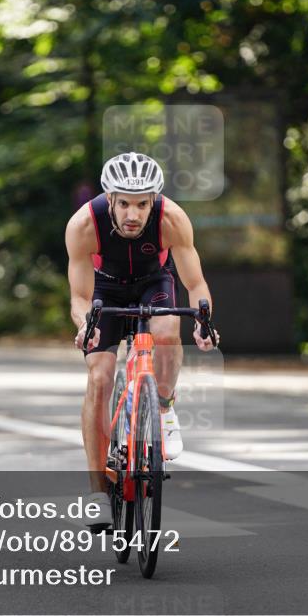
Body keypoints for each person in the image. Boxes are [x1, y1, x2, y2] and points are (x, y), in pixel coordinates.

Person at [65, 152, 219, 529]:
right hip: (105, 289)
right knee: (100, 376)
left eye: (142, 204)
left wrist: (203, 322)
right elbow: (80, 297)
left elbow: (195, 284)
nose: (133, 214)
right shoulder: (84, 225)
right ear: (110, 199)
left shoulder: (172, 220)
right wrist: (87, 325)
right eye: (124, 204)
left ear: (154, 201)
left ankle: (163, 408)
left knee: (167, 332)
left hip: (154, 281)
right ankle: (98, 491)